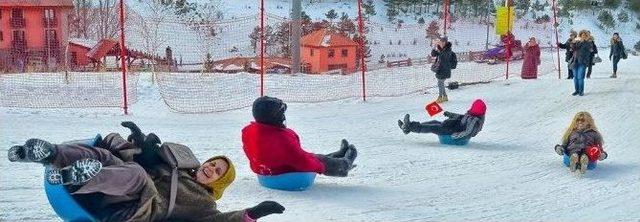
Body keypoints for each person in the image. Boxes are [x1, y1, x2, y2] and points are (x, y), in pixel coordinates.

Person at [7, 122, 285, 222]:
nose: (211, 168)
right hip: (116, 186)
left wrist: (252, 214)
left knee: (136, 176)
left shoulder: (205, 204)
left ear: (219, 182)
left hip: (133, 210)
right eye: (212, 163)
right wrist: (139, 143)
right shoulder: (177, 165)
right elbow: (135, 159)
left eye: (217, 171)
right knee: (105, 156)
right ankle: (48, 154)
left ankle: (79, 179)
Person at [242, 96, 357, 177]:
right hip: (281, 173)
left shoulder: (248, 131)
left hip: (264, 169)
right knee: (316, 161)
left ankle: (336, 156)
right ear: (274, 117)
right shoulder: (282, 139)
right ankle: (344, 165)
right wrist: (320, 166)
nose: (283, 117)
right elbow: (302, 161)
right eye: (281, 114)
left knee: (312, 157)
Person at [397, 99, 486, 140]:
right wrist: (451, 114)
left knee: (434, 127)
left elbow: (468, 133)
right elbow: (462, 117)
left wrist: (456, 136)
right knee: (434, 122)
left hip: (454, 132)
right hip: (455, 126)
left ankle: (408, 127)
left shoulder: (475, 121)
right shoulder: (472, 114)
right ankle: (409, 126)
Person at [430, 36, 457, 103]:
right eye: (440, 42)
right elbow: (433, 54)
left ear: (445, 42)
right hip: (440, 69)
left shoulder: (448, 50)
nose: (441, 43)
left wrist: (439, 50)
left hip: (445, 69)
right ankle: (445, 97)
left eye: (442, 42)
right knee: (440, 83)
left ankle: (440, 97)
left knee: (440, 83)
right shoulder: (440, 49)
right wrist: (435, 46)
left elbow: (443, 56)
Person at [569, 30, 593, 96]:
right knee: (575, 77)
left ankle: (581, 91)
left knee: (580, 77)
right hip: (575, 61)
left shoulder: (588, 43)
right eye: (582, 35)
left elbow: (590, 50)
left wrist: (584, 42)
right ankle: (576, 90)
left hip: (582, 62)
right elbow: (573, 49)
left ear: (587, 36)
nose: (583, 37)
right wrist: (573, 43)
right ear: (580, 36)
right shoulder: (577, 42)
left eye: (585, 36)